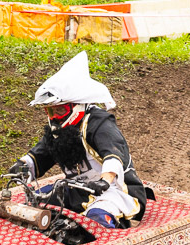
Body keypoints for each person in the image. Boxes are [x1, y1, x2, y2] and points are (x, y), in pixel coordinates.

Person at [9, 51, 146, 229]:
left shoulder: (99, 123)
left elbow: (114, 155)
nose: (54, 117)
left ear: (77, 105)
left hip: (114, 190)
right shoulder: (58, 131)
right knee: (33, 203)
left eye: (60, 110)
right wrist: (22, 166)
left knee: (96, 220)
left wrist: (104, 181)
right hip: (78, 190)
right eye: (50, 111)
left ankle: (111, 237)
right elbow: (40, 154)